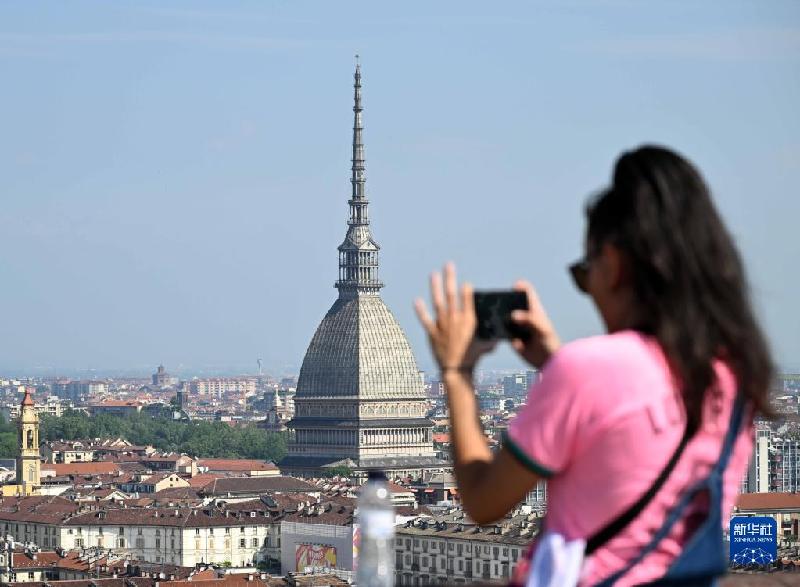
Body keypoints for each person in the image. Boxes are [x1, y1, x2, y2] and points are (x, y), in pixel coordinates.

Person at [415, 145, 773, 586]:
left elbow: (483, 501)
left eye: (584, 271)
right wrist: (555, 362)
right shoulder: (735, 376)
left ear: (615, 264)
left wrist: (456, 372)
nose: (588, 290)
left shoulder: (588, 370)